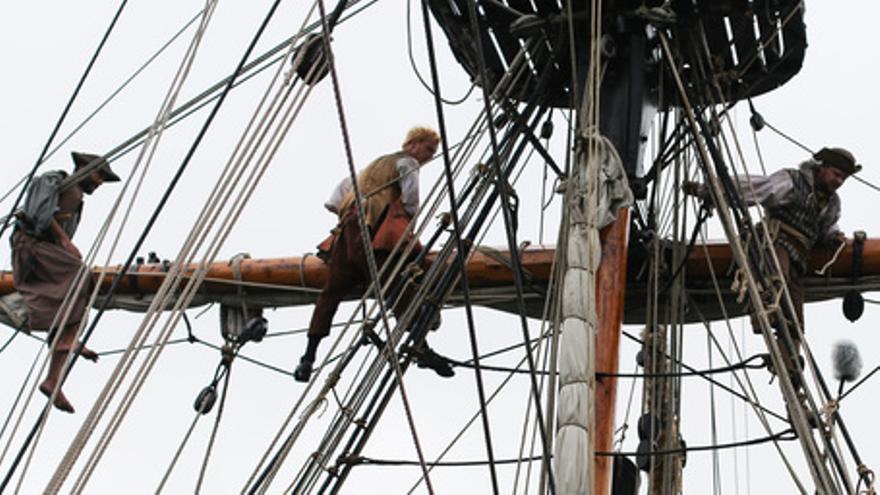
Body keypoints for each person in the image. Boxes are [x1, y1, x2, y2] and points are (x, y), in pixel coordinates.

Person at [686, 146, 858, 421]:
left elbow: (825, 229)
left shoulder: (833, 204)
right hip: (776, 243)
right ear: (822, 167)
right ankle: (764, 313)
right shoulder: (793, 181)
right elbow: (758, 188)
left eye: (843, 178)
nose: (839, 181)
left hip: (799, 257)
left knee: (795, 323)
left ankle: (793, 389)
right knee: (773, 289)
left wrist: (833, 237)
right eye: (837, 174)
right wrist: (711, 189)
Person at [294, 127, 453, 382]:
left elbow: (335, 198)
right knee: (396, 285)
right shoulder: (407, 162)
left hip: (347, 235)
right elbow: (411, 200)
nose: (430, 156)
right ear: (413, 145)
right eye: (428, 149)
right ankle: (421, 344)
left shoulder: (373, 165)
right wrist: (399, 215)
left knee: (331, 292)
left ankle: (307, 358)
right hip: (373, 233)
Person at [11, 151, 121, 413]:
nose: (100, 183)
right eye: (99, 176)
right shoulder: (56, 182)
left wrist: (62, 243)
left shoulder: (77, 198)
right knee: (80, 275)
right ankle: (68, 341)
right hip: (32, 249)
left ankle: (53, 380)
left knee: (72, 303)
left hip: (42, 252)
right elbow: (40, 216)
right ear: (83, 168)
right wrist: (63, 241)